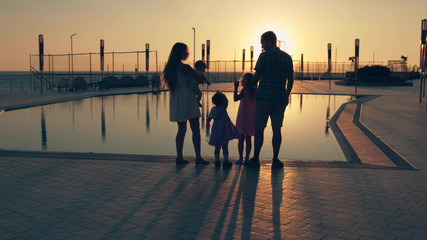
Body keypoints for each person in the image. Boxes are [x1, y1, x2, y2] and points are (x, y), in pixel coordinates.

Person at [246, 31, 294, 169]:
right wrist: (287, 94)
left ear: (269, 41)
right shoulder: (287, 58)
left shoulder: (264, 56)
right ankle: (275, 159)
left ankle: (255, 158)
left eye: (262, 42)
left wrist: (250, 87)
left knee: (259, 129)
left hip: (264, 98)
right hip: (280, 99)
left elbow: (257, 75)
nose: (262, 46)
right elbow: (290, 79)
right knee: (277, 129)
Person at [161, 42, 209, 165]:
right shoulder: (185, 67)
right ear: (180, 53)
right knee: (195, 129)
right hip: (187, 98)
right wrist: (201, 71)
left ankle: (179, 157)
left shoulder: (169, 68)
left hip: (176, 99)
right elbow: (199, 80)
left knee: (181, 129)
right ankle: (198, 157)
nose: (188, 54)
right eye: (186, 51)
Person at [206, 91, 240, 168]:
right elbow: (226, 102)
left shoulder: (213, 110)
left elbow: (209, 118)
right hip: (223, 131)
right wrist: (224, 98)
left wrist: (207, 124)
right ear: (223, 101)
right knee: (225, 147)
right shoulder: (223, 108)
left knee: (217, 147)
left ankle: (217, 161)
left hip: (216, 130)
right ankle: (225, 161)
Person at [234, 73, 256, 164]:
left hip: (247, 116)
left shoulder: (253, 90)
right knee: (243, 138)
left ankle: (244, 158)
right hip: (244, 116)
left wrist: (244, 89)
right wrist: (235, 88)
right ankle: (242, 158)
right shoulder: (246, 90)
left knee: (246, 138)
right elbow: (236, 99)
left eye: (245, 79)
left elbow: (249, 99)